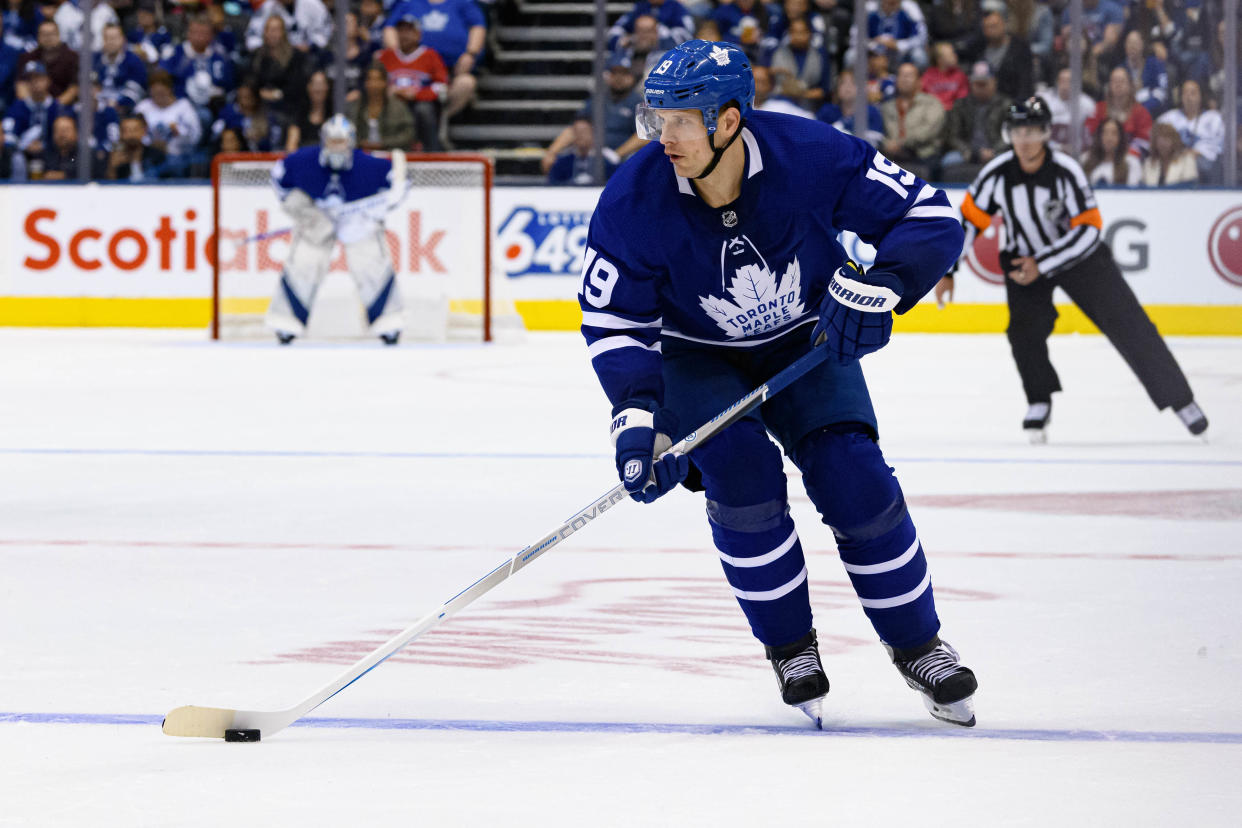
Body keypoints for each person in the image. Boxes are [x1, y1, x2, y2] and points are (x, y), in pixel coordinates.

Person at [579, 39, 978, 728]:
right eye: (656, 118)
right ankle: (791, 649)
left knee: (855, 478)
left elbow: (931, 217)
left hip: (805, 343)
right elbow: (616, 323)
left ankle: (919, 646)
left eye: (681, 120)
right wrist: (640, 421)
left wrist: (884, 287)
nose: (661, 136)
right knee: (742, 478)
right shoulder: (632, 200)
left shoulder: (810, 154)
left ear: (728, 120)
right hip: (696, 359)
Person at [937, 97, 1208, 440]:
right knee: (1023, 332)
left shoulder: (1066, 170)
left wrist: (1044, 263)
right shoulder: (997, 174)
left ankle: (1181, 401)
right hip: (1024, 261)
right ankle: (1039, 400)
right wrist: (947, 270)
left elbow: (1090, 227)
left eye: (1033, 131)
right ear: (1008, 134)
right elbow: (968, 222)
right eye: (1018, 131)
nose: (1025, 139)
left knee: (1130, 324)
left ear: (1047, 133)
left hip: (1080, 259)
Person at [267, 114, 407, 345]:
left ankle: (389, 324)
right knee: (305, 262)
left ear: (351, 142)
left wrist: (374, 210)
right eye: (332, 141)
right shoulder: (303, 161)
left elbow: (399, 185)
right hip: (318, 221)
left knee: (370, 262)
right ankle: (286, 324)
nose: (337, 147)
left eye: (341, 142)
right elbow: (279, 179)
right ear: (323, 140)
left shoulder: (367, 165)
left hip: (355, 221)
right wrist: (303, 210)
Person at [376, 13, 447, 152]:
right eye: (401, 31)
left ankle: (432, 152)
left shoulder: (430, 55)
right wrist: (389, 90)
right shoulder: (385, 56)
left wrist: (417, 94)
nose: (404, 35)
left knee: (424, 110)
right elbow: (374, 80)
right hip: (391, 104)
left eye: (409, 31)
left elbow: (441, 86)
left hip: (418, 104)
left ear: (418, 34)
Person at [939, 60, 1009, 182]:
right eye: (977, 84)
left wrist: (993, 151)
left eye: (984, 84)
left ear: (994, 82)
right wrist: (968, 151)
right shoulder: (960, 104)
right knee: (948, 160)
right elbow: (952, 135)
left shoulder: (1007, 104)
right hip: (968, 153)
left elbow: (1010, 133)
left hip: (996, 151)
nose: (981, 88)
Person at [879, 60, 943, 181]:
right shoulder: (886, 107)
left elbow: (928, 131)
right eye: (901, 75)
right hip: (893, 156)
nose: (904, 79)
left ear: (919, 81)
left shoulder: (932, 103)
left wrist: (901, 143)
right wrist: (887, 144)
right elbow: (881, 133)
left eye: (909, 75)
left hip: (923, 155)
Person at [1156, 79, 1224, 184]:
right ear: (1181, 97)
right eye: (1185, 93)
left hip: (1202, 162)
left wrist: (1197, 153)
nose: (1188, 97)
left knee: (1199, 164)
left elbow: (1218, 146)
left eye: (1193, 93)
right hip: (1174, 160)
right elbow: (1156, 137)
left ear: (1200, 96)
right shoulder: (1168, 118)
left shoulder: (1213, 118)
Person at [345, 61, 415, 151]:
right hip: (361, 154)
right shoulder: (355, 106)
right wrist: (360, 143)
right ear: (365, 83)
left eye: (378, 80)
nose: (374, 84)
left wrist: (384, 143)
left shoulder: (398, 107)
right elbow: (346, 132)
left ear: (385, 82)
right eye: (370, 79)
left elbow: (408, 134)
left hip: (390, 155)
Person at [815, 68, 884, 147]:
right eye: (843, 83)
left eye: (853, 83)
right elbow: (817, 137)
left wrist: (842, 125)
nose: (847, 87)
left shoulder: (871, 112)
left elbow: (875, 142)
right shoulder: (827, 111)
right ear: (837, 89)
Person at [546, 116, 619, 185]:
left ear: (593, 133)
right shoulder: (563, 160)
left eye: (584, 131)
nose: (580, 135)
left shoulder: (608, 158)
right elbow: (553, 183)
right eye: (577, 132)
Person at [1081, 117, 1141, 186]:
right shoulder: (1085, 159)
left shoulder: (1131, 163)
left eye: (1114, 133)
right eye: (1105, 133)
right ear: (1099, 136)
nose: (1109, 138)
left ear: (1120, 138)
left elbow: (1133, 193)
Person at [106, 112, 166, 180]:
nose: (131, 135)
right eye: (126, 131)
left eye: (135, 130)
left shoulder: (157, 156)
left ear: (144, 131)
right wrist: (112, 168)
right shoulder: (112, 157)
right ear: (120, 133)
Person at [1141, 121, 1199, 186]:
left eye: (1166, 139)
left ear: (1174, 141)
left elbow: (1190, 186)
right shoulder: (1148, 163)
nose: (1163, 143)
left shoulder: (1187, 160)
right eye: (1159, 140)